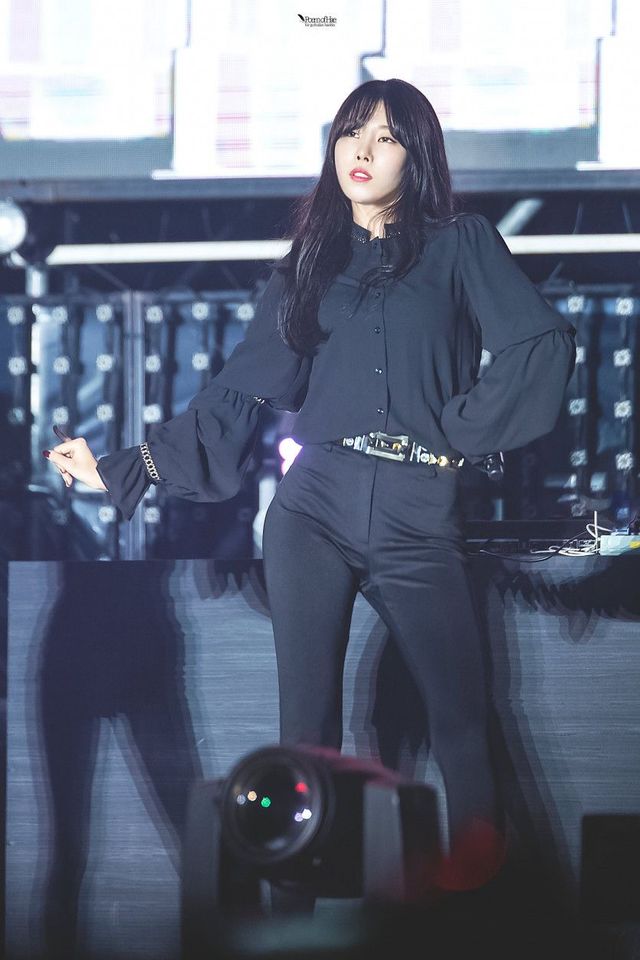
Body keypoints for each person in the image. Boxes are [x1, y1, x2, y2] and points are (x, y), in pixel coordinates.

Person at [44, 78, 575, 891]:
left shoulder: (461, 244)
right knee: (308, 729)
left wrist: (458, 429)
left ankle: (478, 901)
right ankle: (305, 906)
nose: (362, 151)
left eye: (386, 138)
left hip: (417, 508)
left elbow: (539, 343)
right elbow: (238, 391)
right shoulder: (309, 264)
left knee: (461, 720)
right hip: (314, 505)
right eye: (351, 132)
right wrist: (124, 465)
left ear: (417, 157)